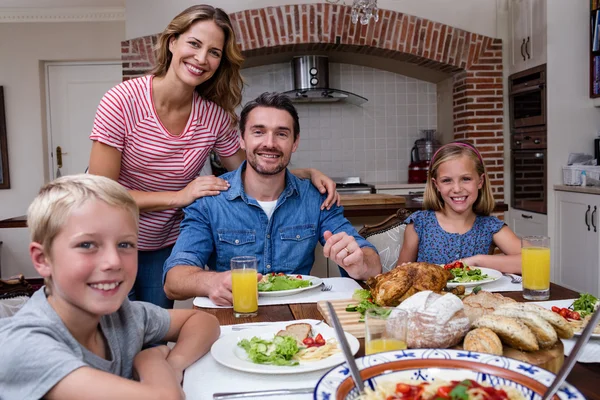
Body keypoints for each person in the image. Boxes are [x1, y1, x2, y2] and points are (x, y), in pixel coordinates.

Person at [87, 5, 339, 308]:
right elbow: (100, 192)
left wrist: (308, 173)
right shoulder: (122, 101)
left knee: (152, 336)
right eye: (194, 44)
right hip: (109, 238)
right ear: (172, 42)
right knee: (108, 335)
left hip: (162, 244)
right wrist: (177, 197)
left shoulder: (213, 117)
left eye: (214, 52)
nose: (201, 58)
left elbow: (251, 170)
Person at [0, 175, 220, 400]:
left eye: (125, 244)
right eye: (87, 245)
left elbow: (204, 322)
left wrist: (174, 364)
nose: (113, 261)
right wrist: (150, 360)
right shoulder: (25, 347)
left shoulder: (121, 315)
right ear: (43, 259)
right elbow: (165, 397)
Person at [162, 92, 382, 305]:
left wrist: (360, 263)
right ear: (241, 139)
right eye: (258, 132)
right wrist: (211, 282)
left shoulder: (316, 198)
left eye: (282, 133)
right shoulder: (210, 200)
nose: (270, 143)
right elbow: (174, 280)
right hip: (235, 317)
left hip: (302, 319)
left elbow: (371, 262)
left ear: (295, 143)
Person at [397, 142, 521, 273]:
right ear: (436, 185)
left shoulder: (490, 226)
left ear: (480, 181)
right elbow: (399, 275)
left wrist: (477, 261)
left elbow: (537, 261)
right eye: (446, 180)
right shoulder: (419, 223)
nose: (457, 189)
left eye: (466, 179)